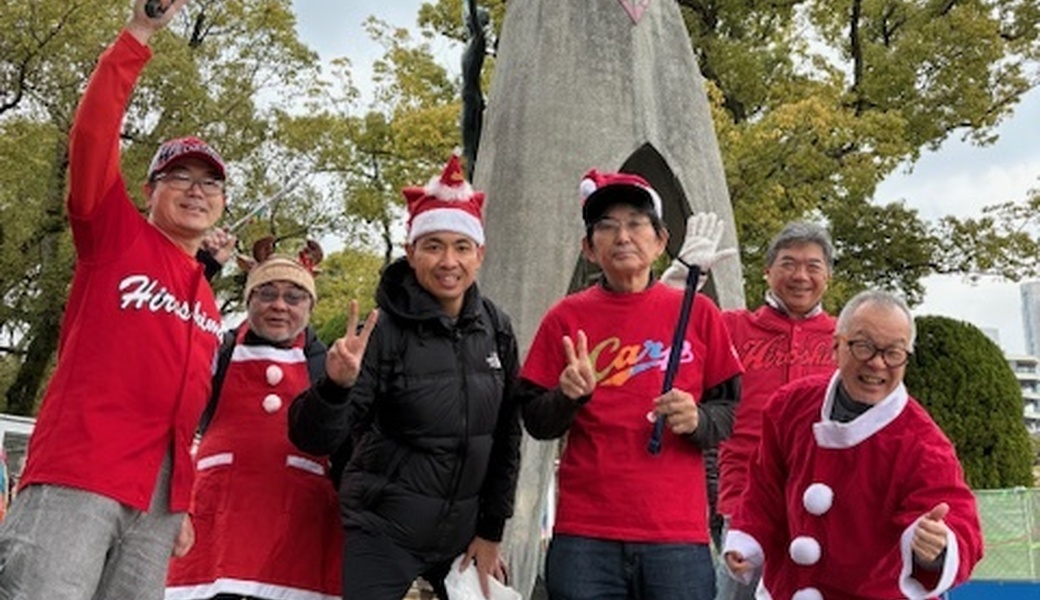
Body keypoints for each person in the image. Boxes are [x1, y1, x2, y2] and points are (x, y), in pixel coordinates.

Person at [0, 1, 226, 599]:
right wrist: (140, 33)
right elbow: (93, 134)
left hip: (158, 505)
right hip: (81, 473)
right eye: (180, 177)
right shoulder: (113, 235)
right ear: (149, 190)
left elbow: (187, 405)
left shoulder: (207, 299)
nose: (197, 190)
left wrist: (183, 499)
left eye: (210, 182)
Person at [288, 153, 523, 600]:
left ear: (479, 255)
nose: (448, 261)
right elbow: (313, 438)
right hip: (384, 528)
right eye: (433, 246)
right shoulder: (381, 331)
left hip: (464, 534)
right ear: (411, 252)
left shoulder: (497, 327)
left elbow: (507, 435)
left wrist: (491, 530)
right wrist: (334, 387)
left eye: (462, 247)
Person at [517, 169, 744, 600]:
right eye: (607, 226)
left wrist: (698, 420)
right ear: (588, 248)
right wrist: (567, 397)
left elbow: (731, 410)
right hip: (585, 535)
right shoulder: (565, 317)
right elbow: (535, 420)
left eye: (637, 223)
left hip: (677, 535)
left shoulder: (699, 313)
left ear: (660, 241)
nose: (623, 236)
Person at [722, 290, 984, 599]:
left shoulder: (923, 444)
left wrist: (936, 549)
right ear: (836, 346)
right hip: (786, 589)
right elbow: (764, 486)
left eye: (893, 353)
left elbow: (958, 520)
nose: (877, 363)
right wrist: (748, 538)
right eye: (864, 347)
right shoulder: (790, 405)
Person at [663, 220, 838, 600]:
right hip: (744, 501)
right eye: (788, 264)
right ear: (768, 271)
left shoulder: (847, 338)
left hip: (825, 504)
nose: (800, 276)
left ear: (828, 276)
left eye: (813, 266)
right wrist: (679, 283)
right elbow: (660, 333)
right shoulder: (733, 327)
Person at [165, 248, 342, 600]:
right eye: (267, 293)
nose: (279, 306)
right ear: (249, 301)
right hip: (218, 515)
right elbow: (169, 329)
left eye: (294, 297)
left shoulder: (329, 364)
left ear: (310, 306)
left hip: (298, 521)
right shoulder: (218, 350)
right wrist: (204, 267)